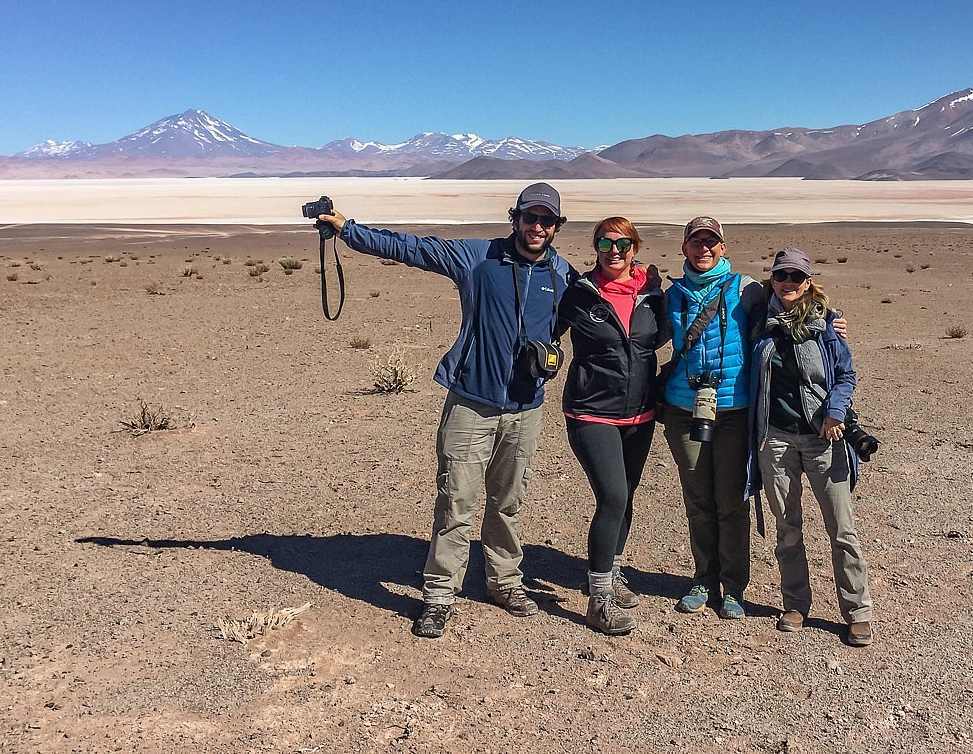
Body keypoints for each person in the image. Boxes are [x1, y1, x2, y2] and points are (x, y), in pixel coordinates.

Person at [319, 183, 575, 639]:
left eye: (547, 220)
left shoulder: (563, 274)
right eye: (530, 218)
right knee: (456, 500)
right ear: (514, 218)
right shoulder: (477, 257)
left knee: (508, 502)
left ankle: (505, 582)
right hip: (472, 403)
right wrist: (347, 230)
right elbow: (411, 248)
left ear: (556, 226)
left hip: (526, 407)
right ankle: (439, 594)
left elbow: (606, 310)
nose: (537, 227)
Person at [746, 248, 873, 647]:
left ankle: (857, 611)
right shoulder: (759, 322)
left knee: (841, 529)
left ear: (808, 283)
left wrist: (835, 412)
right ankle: (796, 603)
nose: (788, 283)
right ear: (772, 280)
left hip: (823, 438)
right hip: (775, 440)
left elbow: (846, 374)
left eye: (796, 277)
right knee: (787, 529)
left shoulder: (827, 325)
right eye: (781, 276)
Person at [554, 217, 668, 635]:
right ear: (596, 248)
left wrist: (828, 320)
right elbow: (538, 324)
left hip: (640, 413)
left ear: (635, 248)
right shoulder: (580, 294)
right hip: (590, 411)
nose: (614, 251)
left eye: (623, 244)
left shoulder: (654, 296)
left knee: (627, 496)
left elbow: (702, 326)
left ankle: (614, 570)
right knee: (613, 497)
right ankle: (598, 598)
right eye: (605, 243)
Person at [661, 215, 767, 620]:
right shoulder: (672, 294)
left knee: (731, 500)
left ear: (723, 248)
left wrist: (831, 321)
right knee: (698, 499)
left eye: (711, 242)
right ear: (684, 248)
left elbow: (790, 311)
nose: (703, 248)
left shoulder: (747, 290)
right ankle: (704, 577)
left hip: (733, 411)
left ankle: (734, 586)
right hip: (682, 410)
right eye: (696, 242)